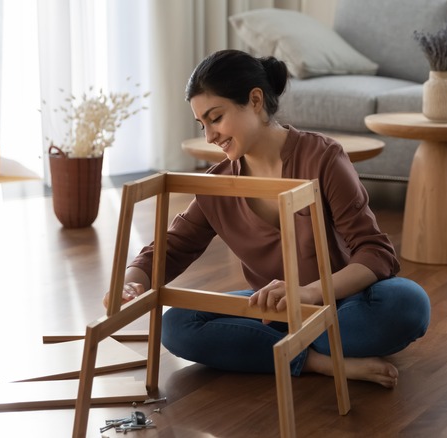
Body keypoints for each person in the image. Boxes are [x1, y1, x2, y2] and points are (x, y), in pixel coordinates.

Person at [103, 49, 430, 388]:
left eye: (216, 118)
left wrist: (311, 293)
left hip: (341, 302)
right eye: (202, 124)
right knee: (177, 325)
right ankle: (318, 361)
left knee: (406, 303)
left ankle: (272, 348)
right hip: (271, 312)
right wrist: (132, 282)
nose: (209, 136)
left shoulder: (323, 159)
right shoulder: (217, 184)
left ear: (255, 100)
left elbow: (376, 252)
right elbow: (168, 250)